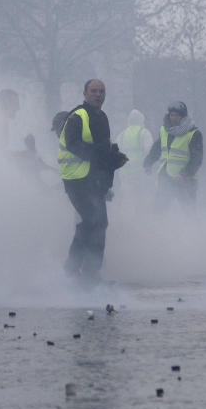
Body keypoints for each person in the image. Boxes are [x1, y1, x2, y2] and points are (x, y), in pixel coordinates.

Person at [58, 79, 127, 282]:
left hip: (94, 180)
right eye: (94, 91)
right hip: (77, 179)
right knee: (92, 221)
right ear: (85, 93)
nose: (98, 95)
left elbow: (102, 148)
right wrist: (99, 154)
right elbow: (73, 144)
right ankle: (74, 269)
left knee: (100, 223)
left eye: (102, 91)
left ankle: (89, 272)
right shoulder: (78, 116)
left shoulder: (102, 117)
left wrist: (114, 157)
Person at [143, 101, 203, 216]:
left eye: (177, 115)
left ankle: (194, 232)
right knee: (158, 211)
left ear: (183, 117)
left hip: (185, 180)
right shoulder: (165, 130)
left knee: (189, 212)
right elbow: (157, 148)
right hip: (166, 177)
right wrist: (148, 162)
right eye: (171, 115)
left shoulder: (194, 133)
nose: (173, 118)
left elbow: (197, 159)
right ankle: (157, 231)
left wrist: (184, 174)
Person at [115, 109, 153, 177]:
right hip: (140, 172)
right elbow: (149, 151)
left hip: (124, 173)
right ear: (141, 120)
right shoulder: (144, 133)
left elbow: (115, 152)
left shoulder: (122, 134)